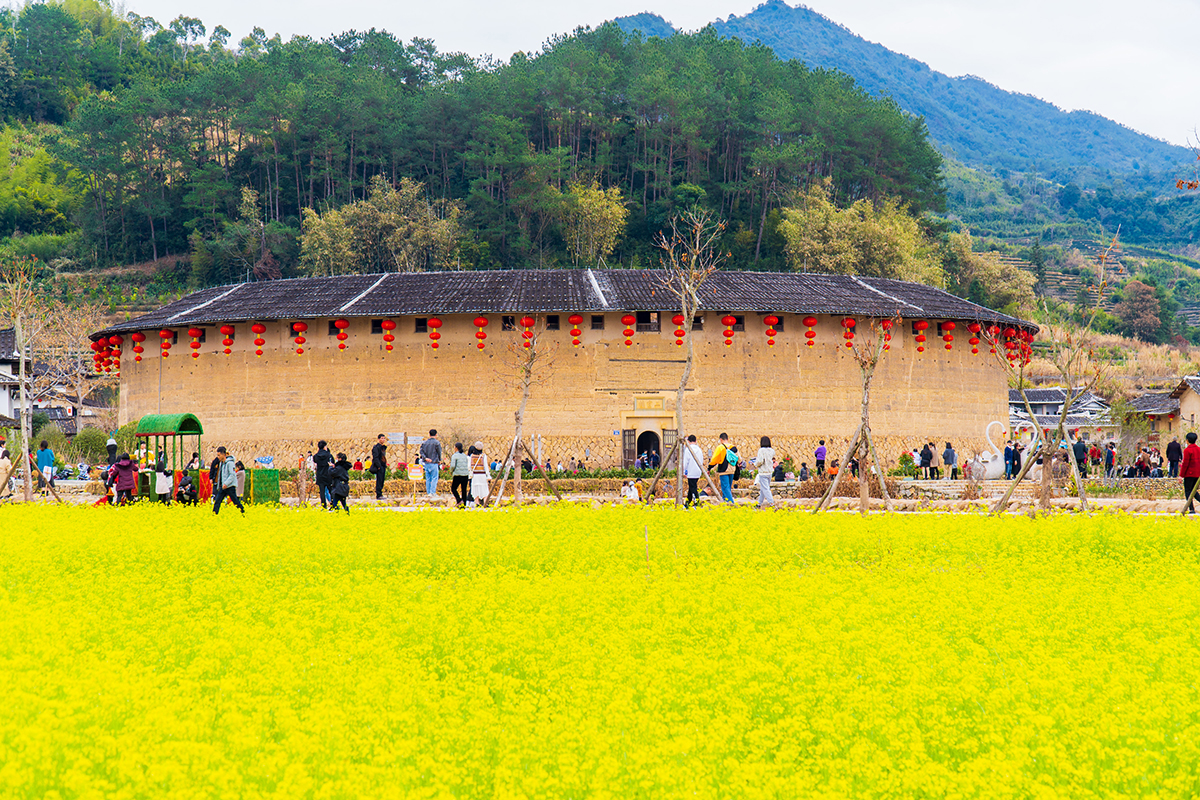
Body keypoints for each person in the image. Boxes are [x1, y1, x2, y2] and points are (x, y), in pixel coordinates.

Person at [211, 446, 244, 514]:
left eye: (219, 455)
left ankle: (242, 512)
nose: (218, 457)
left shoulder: (230, 463)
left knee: (235, 501)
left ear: (223, 455)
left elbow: (232, 475)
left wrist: (226, 483)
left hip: (230, 486)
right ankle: (214, 515)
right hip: (223, 486)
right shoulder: (221, 463)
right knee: (217, 501)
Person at [708, 432, 735, 504]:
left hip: (724, 470)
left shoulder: (720, 447)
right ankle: (724, 502)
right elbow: (739, 459)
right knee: (728, 488)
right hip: (732, 470)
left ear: (720, 439)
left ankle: (731, 503)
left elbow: (714, 460)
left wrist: (709, 468)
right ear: (727, 439)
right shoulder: (733, 447)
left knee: (725, 488)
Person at [752, 436, 776, 508]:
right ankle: (759, 504)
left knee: (765, 489)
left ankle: (772, 503)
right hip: (769, 472)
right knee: (763, 488)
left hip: (763, 472)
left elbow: (760, 461)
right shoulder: (772, 451)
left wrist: (755, 464)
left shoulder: (761, 450)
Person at [681, 434, 704, 508]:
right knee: (692, 487)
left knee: (693, 488)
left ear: (688, 441)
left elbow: (685, 462)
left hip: (690, 472)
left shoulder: (688, 450)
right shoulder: (699, 449)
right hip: (697, 471)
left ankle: (697, 502)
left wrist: (684, 471)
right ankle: (687, 503)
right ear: (696, 441)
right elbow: (702, 460)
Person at [420, 429, 441, 498]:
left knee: (428, 478)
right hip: (434, 462)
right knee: (434, 478)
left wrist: (425, 458)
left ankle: (428, 492)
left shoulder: (424, 443)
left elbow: (421, 451)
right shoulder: (437, 443)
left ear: (429, 435)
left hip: (426, 463)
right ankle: (432, 492)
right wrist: (439, 460)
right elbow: (439, 452)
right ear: (436, 435)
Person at [1182, 432, 1200, 514]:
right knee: (1193, 491)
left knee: (1188, 491)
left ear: (1187, 440)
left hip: (1189, 474)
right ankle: (1192, 508)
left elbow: (1185, 464)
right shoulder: (1199, 449)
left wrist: (1181, 475)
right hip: (1197, 474)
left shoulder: (1187, 450)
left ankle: (1191, 509)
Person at [469, 442, 490, 507]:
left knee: (475, 489)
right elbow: (486, 466)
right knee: (484, 489)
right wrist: (488, 475)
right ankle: (485, 502)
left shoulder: (471, 456)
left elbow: (469, 466)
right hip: (482, 475)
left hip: (475, 475)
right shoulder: (483, 456)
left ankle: (477, 502)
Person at [449, 442, 471, 507]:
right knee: (464, 490)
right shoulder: (465, 456)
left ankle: (459, 500)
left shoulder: (455, 456)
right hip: (465, 475)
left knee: (453, 489)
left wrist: (451, 471)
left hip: (457, 475)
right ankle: (464, 504)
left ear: (456, 448)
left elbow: (453, 466)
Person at [313, 440, 333, 508]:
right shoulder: (329, 455)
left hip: (320, 475)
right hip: (328, 475)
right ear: (325, 447)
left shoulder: (316, 456)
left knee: (322, 492)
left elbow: (315, 460)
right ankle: (333, 505)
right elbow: (332, 463)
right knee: (331, 490)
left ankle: (324, 506)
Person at [371, 434, 388, 500]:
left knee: (382, 480)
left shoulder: (383, 447)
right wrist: (378, 466)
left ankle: (380, 493)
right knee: (379, 480)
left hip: (383, 465)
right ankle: (378, 494)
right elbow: (376, 457)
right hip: (379, 466)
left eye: (384, 438)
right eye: (382, 438)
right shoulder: (376, 447)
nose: (383, 440)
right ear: (378, 439)